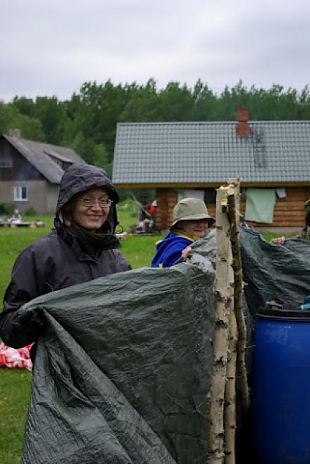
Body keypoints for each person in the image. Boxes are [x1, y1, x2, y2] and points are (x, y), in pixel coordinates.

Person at [0, 163, 131, 359]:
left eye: (104, 201)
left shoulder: (117, 262)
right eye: (86, 200)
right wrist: (33, 318)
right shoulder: (40, 256)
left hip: (109, 374)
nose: (97, 208)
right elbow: (9, 331)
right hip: (60, 378)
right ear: (69, 204)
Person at [151, 197, 215, 268]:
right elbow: (175, 277)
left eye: (204, 220)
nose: (201, 225)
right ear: (180, 224)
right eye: (194, 221)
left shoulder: (176, 240)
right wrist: (182, 260)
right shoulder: (178, 250)